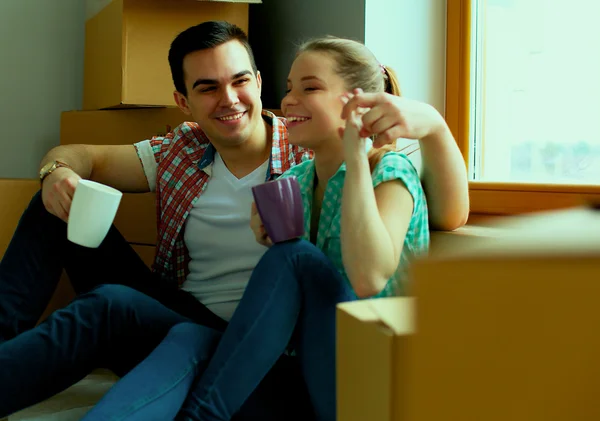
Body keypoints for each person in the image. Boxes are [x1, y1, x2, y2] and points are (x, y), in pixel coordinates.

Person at [0, 21, 467, 419]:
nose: (229, 99)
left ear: (258, 82)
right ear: (183, 101)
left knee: (123, 307)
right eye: (207, 87)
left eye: (239, 80)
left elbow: (441, 210)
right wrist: (55, 172)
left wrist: (428, 123)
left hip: (271, 339)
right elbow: (81, 156)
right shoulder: (183, 151)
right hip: (184, 313)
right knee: (58, 208)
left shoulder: (313, 146)